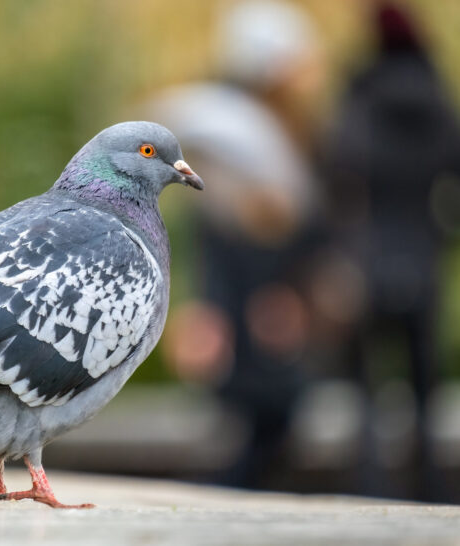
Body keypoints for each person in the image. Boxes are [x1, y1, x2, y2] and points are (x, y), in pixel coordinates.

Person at [145, 0, 330, 488]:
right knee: (260, 420)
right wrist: (209, 306)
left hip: (268, 305)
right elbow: (221, 233)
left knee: (270, 423)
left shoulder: (267, 129)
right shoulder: (237, 131)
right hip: (252, 307)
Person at [323, 1, 460, 500]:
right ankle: (431, 487)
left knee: (367, 390)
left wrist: (340, 251)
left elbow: (338, 177)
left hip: (368, 258)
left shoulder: (360, 98)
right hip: (423, 258)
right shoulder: (439, 99)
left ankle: (369, 486)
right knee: (425, 386)